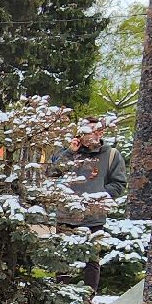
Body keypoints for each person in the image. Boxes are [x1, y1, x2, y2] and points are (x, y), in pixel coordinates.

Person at [52, 118, 128, 292]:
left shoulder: (111, 155)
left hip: (94, 217)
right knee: (62, 258)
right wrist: (70, 153)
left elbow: (118, 183)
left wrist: (98, 197)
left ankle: (88, 299)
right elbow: (53, 173)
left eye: (92, 132)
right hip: (67, 214)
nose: (87, 136)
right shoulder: (69, 152)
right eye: (84, 132)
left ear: (100, 133)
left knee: (91, 261)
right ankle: (62, 296)